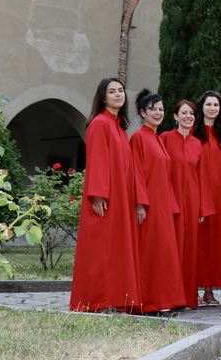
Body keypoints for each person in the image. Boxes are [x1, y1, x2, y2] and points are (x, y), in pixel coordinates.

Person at [69, 78, 141, 312]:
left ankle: (116, 298)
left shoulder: (119, 127)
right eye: (112, 91)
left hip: (121, 197)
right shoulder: (100, 123)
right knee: (102, 248)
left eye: (121, 90)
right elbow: (97, 160)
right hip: (105, 198)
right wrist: (98, 194)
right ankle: (99, 301)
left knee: (116, 248)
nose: (118, 94)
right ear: (103, 97)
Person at [129, 89, 187, 314]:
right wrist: (140, 203)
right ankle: (148, 303)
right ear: (143, 112)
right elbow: (136, 172)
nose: (158, 112)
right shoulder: (138, 138)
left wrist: (172, 205)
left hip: (163, 205)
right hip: (149, 205)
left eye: (161, 109)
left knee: (165, 253)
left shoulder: (157, 138)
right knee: (150, 252)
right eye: (153, 109)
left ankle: (165, 301)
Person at [161, 100, 213, 309]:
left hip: (192, 202)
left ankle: (187, 297)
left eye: (191, 113)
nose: (188, 116)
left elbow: (201, 177)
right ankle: (169, 296)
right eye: (184, 113)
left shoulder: (197, 144)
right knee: (171, 249)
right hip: (169, 200)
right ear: (175, 117)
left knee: (190, 250)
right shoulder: (165, 139)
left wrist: (202, 207)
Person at [195, 90, 221, 306]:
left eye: (216, 105)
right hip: (196, 194)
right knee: (195, 241)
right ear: (202, 107)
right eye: (209, 104)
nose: (212, 108)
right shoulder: (193, 132)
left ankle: (209, 290)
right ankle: (190, 287)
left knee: (213, 244)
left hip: (218, 196)